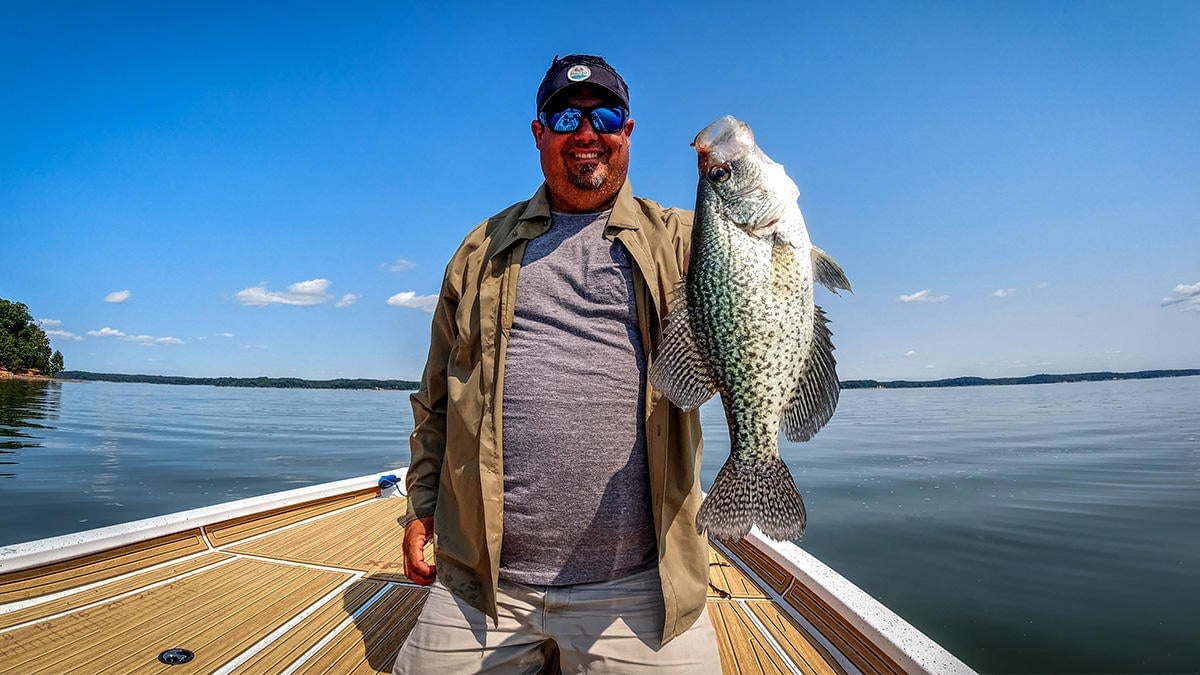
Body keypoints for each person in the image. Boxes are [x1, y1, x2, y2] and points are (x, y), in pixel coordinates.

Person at [393, 54, 720, 674]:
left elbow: (771, 263)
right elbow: (435, 399)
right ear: (540, 132)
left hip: (641, 585)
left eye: (606, 115)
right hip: (483, 583)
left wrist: (739, 186)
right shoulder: (480, 248)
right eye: (566, 116)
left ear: (628, 130)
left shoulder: (685, 237)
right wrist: (422, 506)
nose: (586, 132)